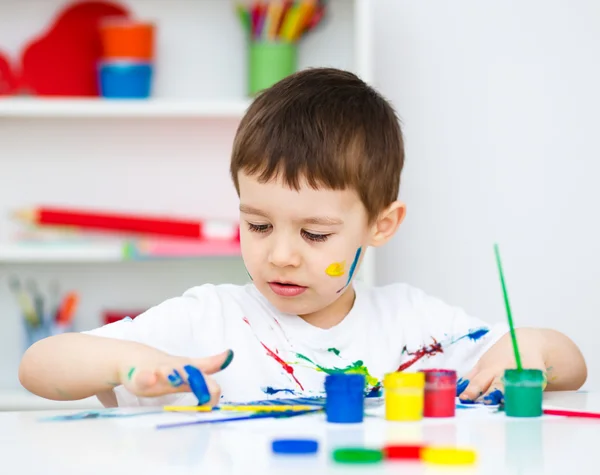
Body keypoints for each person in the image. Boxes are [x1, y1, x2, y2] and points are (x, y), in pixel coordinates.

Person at [18, 68, 587, 408]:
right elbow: (40, 365)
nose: (280, 255)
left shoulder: (414, 328)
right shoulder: (210, 320)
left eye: (315, 234)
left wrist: (529, 347)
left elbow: (572, 366)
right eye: (258, 225)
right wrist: (130, 366)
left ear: (380, 225)